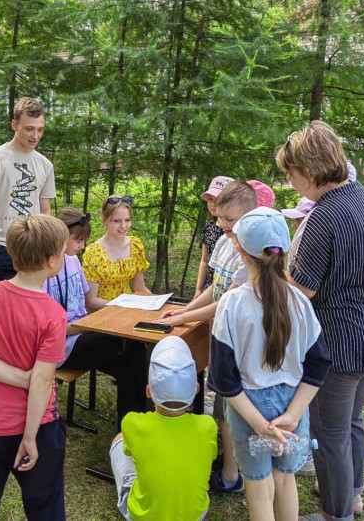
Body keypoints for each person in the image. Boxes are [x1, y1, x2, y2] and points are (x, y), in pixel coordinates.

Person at [276, 121, 364, 521]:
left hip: (341, 345)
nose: (291, 183)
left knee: (328, 433)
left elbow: (299, 292)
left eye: (291, 175)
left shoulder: (324, 218)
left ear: (309, 172)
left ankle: (338, 513)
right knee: (352, 421)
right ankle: (354, 492)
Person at [208, 207, 330, 521]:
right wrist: (292, 414)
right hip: (293, 406)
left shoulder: (231, 304)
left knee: (258, 486)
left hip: (248, 408)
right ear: (285, 252)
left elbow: (223, 378)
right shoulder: (301, 301)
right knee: (286, 480)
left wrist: (259, 423)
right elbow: (318, 365)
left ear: (239, 249)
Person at [155, 180, 262, 494]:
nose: (223, 225)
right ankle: (230, 466)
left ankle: (233, 476)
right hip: (221, 338)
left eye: (230, 220)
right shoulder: (226, 243)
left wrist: (185, 317)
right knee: (222, 413)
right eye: (220, 218)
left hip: (240, 345)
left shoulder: (249, 252)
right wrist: (184, 310)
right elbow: (214, 288)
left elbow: (226, 300)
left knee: (231, 412)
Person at [0, 215, 69, 520]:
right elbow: (43, 381)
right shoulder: (53, 315)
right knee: (45, 506)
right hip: (39, 428)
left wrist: (22, 379)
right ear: (51, 261)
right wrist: (30, 438)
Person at [43, 207, 148, 430]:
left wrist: (89, 325)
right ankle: (139, 426)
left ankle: (132, 429)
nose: (81, 246)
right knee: (125, 344)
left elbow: (84, 303)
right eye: (77, 240)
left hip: (82, 333)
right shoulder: (45, 271)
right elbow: (47, 328)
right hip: (61, 347)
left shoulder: (71, 261)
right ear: (59, 237)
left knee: (131, 365)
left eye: (84, 241)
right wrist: (85, 327)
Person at [109, 336, 217, 521]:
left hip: (143, 515)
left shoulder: (132, 423)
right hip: (195, 515)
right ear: (197, 389)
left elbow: (129, 452)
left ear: (149, 391)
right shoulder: (208, 426)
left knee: (119, 440)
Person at [0, 97, 56, 284]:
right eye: (29, 128)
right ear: (14, 125)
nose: (35, 135)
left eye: (40, 129)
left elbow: (45, 211)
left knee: (31, 309)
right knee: (3, 311)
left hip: (34, 249)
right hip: (1, 249)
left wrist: (45, 247)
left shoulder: (45, 165)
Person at [82, 195, 150, 301]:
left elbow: (140, 288)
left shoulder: (135, 246)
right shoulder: (94, 252)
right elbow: (91, 300)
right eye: (117, 221)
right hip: (104, 312)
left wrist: (157, 303)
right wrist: (121, 308)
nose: (123, 226)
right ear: (105, 220)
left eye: (127, 220)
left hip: (130, 308)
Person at [194, 176, 234, 299]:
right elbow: (204, 261)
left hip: (229, 287)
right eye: (210, 199)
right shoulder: (208, 227)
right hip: (210, 286)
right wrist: (198, 290)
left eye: (218, 199)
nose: (213, 204)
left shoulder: (232, 231)